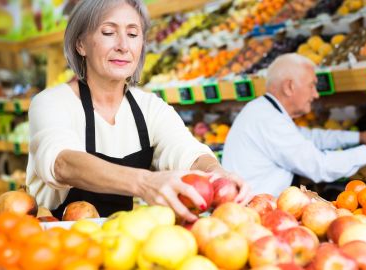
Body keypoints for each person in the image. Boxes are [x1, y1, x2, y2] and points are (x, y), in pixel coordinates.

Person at [25, 0, 249, 222]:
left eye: (133, 35)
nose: (123, 46)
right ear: (81, 44)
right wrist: (144, 182)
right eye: (108, 32)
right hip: (54, 240)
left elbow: (187, 151)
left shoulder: (149, 108)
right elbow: (62, 163)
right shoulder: (53, 102)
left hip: (121, 243)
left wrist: (219, 176)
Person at [222, 53, 366, 197]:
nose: (316, 94)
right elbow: (319, 166)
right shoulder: (267, 120)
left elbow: (308, 137)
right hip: (257, 216)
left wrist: (360, 137)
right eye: (312, 85)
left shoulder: (264, 110)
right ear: (289, 87)